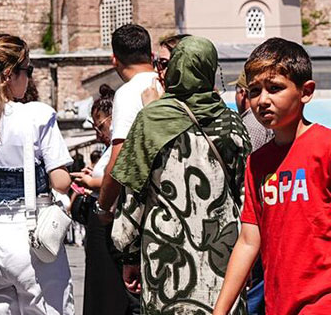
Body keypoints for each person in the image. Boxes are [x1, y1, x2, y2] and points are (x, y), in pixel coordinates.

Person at [213, 38, 331, 315]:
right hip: (278, 303)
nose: (263, 100)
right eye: (255, 90)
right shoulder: (257, 163)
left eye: (275, 88)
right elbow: (249, 240)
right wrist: (220, 310)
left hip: (327, 302)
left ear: (306, 92)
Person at [113, 36, 250, 314]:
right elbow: (248, 199)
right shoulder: (231, 124)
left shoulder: (150, 121)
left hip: (166, 262)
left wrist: (128, 254)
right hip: (223, 261)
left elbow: (132, 199)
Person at [0, 35, 74, 314]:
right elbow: (61, 180)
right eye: (28, 71)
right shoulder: (36, 116)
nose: (30, 79)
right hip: (32, 240)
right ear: (9, 75)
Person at [70, 86, 137, 315]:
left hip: (108, 222)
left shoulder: (119, 144)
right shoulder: (111, 147)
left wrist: (91, 183)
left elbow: (117, 174)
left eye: (100, 126)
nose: (99, 133)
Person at [94, 25, 160, 225]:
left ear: (114, 59)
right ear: (151, 54)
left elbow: (119, 160)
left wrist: (103, 206)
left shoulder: (127, 93)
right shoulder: (166, 82)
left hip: (148, 210)